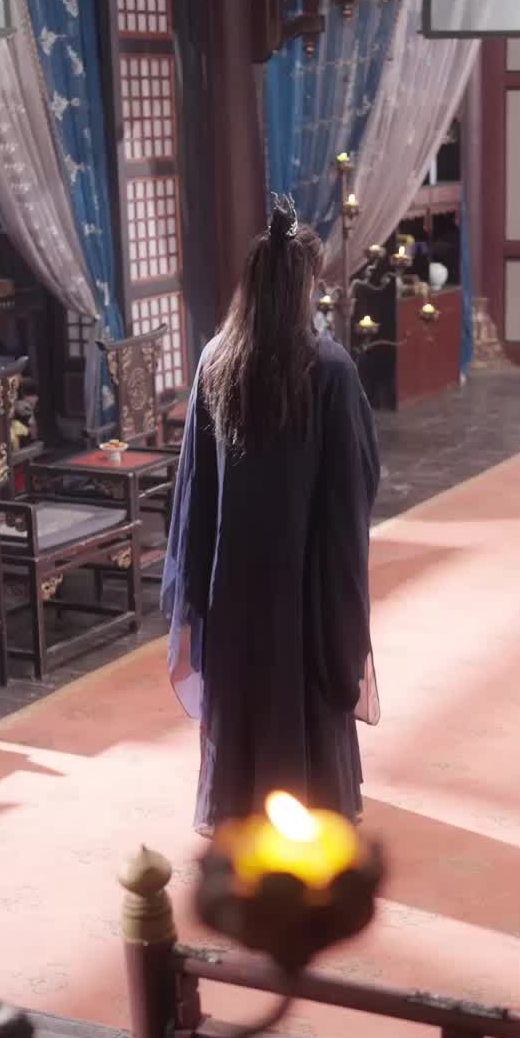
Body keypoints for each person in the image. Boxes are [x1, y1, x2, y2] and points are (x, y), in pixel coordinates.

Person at [161, 197, 380, 834]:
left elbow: (195, 487)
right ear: (305, 286)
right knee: (303, 685)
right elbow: (353, 483)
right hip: (306, 576)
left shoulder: (216, 360)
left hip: (231, 575)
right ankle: (312, 797)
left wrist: (197, 583)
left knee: (244, 685)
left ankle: (240, 797)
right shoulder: (331, 370)